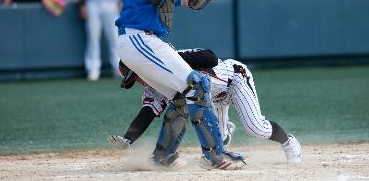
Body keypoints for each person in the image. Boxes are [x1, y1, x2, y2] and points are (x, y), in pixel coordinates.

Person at [115, 0, 240, 170]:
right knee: (199, 83)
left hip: (138, 38)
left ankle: (163, 156)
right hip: (139, 37)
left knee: (181, 94)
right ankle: (215, 155)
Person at [109, 49, 302, 164]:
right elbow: (148, 112)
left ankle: (289, 142)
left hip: (234, 80)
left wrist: (179, 61)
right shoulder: (154, 87)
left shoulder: (170, 60)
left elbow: (211, 57)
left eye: (136, 76)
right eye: (134, 80)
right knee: (218, 141)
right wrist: (128, 138)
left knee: (255, 127)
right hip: (213, 99)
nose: (139, 82)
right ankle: (225, 130)